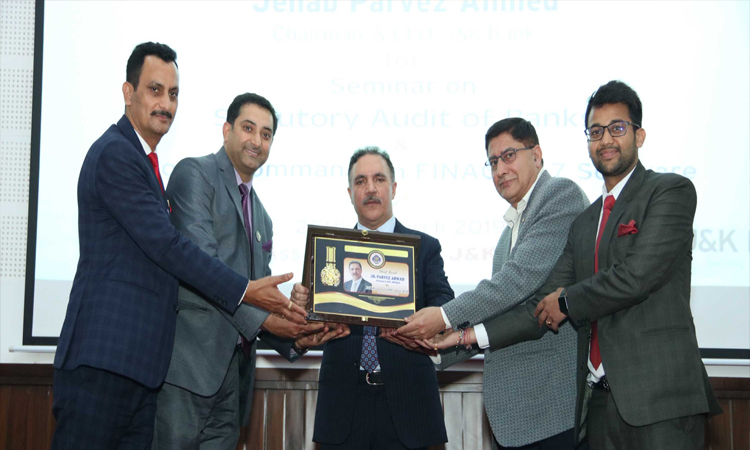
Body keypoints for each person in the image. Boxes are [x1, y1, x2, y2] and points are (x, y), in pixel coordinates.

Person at [51, 43, 305, 450]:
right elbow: (170, 247)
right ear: (128, 92)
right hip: (106, 359)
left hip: (141, 369)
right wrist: (246, 291)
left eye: (173, 94)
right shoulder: (118, 154)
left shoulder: (148, 164)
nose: (165, 104)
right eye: (155, 90)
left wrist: (296, 326)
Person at [480, 81, 722, 449]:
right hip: (597, 405)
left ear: (639, 135)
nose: (605, 139)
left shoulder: (670, 191)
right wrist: (465, 336)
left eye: (617, 128)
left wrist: (565, 301)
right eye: (595, 131)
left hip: (661, 401)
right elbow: (539, 305)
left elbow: (635, 277)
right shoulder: (584, 221)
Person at [152, 93, 347, 450]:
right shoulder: (195, 174)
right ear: (227, 130)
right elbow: (202, 269)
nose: (257, 140)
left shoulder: (263, 217)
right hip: (186, 372)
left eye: (266, 134)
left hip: (235, 381)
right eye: (248, 128)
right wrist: (271, 321)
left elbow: (258, 300)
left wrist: (295, 337)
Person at [398, 118, 589, 449]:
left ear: (537, 155)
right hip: (518, 417)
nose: (500, 169)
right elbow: (498, 317)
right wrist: (433, 348)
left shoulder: (560, 195)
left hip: (551, 408)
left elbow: (517, 282)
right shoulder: (506, 237)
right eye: (493, 162)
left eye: (509, 155)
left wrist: (443, 316)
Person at [291, 147, 454, 449]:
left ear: (393, 188)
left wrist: (419, 320)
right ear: (350, 193)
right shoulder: (329, 251)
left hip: (409, 405)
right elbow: (309, 324)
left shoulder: (425, 247)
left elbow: (446, 305)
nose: (370, 189)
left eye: (379, 179)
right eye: (360, 181)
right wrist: (303, 307)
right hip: (343, 406)